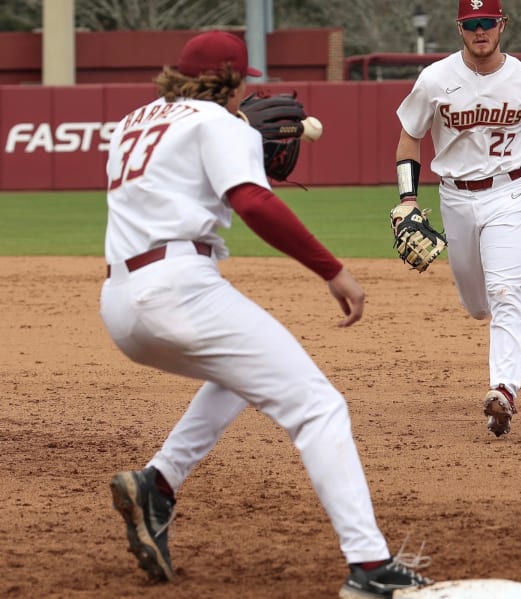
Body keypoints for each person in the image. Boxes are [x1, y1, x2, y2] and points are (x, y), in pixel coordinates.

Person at [100, 30, 430, 598]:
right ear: (231, 81)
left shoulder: (133, 122)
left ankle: (158, 483)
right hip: (179, 290)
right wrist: (332, 270)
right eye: (240, 86)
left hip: (120, 301)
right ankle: (370, 568)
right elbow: (252, 201)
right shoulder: (221, 124)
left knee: (242, 375)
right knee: (319, 406)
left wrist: (238, 137)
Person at [394, 0, 521, 438]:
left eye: (487, 22)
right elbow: (409, 137)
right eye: (472, 24)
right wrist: (408, 199)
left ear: (502, 24)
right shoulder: (435, 79)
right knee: (476, 305)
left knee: (502, 293)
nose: (480, 30)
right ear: (459, 28)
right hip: (454, 197)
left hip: (508, 192)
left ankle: (503, 391)